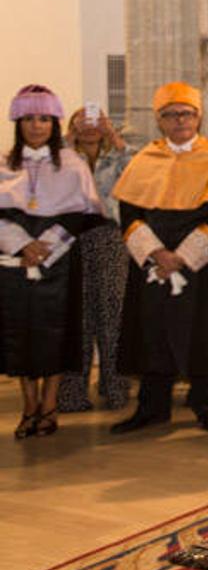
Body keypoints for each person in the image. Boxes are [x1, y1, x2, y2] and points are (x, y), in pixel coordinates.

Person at [110, 82, 208, 434]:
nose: (179, 120)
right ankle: (152, 406)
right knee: (152, 330)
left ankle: (205, 404)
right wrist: (156, 253)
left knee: (202, 331)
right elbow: (129, 211)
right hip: (152, 260)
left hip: (199, 262)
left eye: (186, 113)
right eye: (170, 115)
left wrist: (181, 257)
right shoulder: (144, 159)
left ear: (198, 117)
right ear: (159, 121)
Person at [1, 85, 102, 439]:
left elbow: (83, 213)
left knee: (57, 331)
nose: (36, 126)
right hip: (12, 258)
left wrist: (45, 245)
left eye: (43, 118)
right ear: (18, 121)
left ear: (54, 123)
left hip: (59, 259)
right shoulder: (2, 162)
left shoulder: (72, 163)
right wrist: (22, 245)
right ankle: (28, 406)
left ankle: (50, 405)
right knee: (20, 332)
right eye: (29, 118)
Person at [57, 105, 134, 412]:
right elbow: (42, 171)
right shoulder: (63, 157)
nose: (89, 126)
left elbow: (139, 171)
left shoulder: (116, 156)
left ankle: (115, 387)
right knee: (76, 315)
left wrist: (113, 135)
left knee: (112, 313)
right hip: (68, 239)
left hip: (109, 236)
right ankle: (72, 393)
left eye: (95, 120)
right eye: (82, 121)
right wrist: (66, 138)